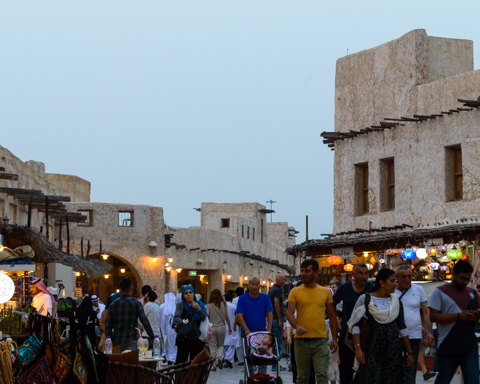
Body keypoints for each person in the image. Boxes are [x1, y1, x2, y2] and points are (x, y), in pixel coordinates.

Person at [347, 268, 413, 384]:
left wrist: (409, 352)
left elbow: (402, 328)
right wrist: (358, 348)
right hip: (373, 349)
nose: (395, 284)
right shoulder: (366, 299)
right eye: (392, 281)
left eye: (395, 281)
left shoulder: (396, 302)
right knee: (373, 379)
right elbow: (355, 325)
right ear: (382, 283)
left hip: (393, 349)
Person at [428, 259, 480, 384]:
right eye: (462, 278)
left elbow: (475, 321)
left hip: (469, 345)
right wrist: (458, 316)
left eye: (467, 279)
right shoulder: (440, 292)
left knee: (473, 380)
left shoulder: (472, 293)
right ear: (454, 274)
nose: (465, 282)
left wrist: (476, 316)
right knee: (443, 380)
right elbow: (433, 317)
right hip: (448, 345)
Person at [287, 259, 338, 384]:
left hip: (320, 340)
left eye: (307, 271)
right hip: (301, 341)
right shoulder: (295, 291)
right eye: (302, 271)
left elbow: (332, 315)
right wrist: (296, 326)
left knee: (321, 375)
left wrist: (335, 339)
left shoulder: (325, 292)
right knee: (302, 377)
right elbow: (289, 313)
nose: (303, 274)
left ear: (316, 273)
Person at [332, 262, 373, 384]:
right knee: (346, 372)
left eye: (366, 273)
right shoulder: (344, 288)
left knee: (366, 373)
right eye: (360, 273)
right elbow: (331, 306)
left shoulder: (371, 288)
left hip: (366, 336)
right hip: (346, 336)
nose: (363, 276)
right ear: (353, 274)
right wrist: (336, 324)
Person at [394, 264, 435, 383]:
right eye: (403, 276)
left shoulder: (418, 289)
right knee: (396, 368)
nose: (407, 279)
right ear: (397, 277)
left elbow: (426, 311)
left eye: (409, 276)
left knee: (410, 369)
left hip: (414, 336)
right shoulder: (391, 290)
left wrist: (430, 331)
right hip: (395, 336)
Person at [235, 277, 273, 375]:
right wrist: (246, 330)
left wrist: (268, 330)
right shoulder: (242, 298)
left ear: (260, 286)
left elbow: (270, 313)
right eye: (252, 284)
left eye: (257, 285)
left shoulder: (265, 297)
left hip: (262, 333)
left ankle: (262, 377)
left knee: (262, 358)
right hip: (247, 334)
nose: (254, 287)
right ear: (248, 286)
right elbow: (239, 315)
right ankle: (250, 377)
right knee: (248, 358)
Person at [106, 278, 155, 351]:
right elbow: (144, 321)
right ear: (132, 288)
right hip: (132, 339)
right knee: (131, 361)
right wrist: (152, 336)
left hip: (118, 340)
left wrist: (109, 339)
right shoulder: (136, 303)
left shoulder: (113, 304)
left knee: (120, 361)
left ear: (120, 289)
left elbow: (108, 324)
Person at [174, 285, 208, 364]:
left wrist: (198, 309)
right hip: (184, 336)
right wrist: (185, 323)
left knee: (196, 362)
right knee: (181, 361)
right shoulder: (181, 305)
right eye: (186, 293)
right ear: (183, 295)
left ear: (193, 294)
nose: (188, 294)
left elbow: (204, 318)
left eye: (190, 292)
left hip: (196, 337)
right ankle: (181, 376)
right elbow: (176, 317)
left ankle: (194, 376)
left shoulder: (200, 304)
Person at [206, 288, 232, 371]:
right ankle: (220, 357)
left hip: (212, 328)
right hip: (221, 327)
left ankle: (213, 366)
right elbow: (227, 317)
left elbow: (207, 316)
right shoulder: (223, 304)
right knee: (220, 345)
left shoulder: (208, 305)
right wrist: (230, 327)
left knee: (212, 347)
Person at [268, 272, 286, 371]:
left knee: (274, 342)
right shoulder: (277, 291)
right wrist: (280, 319)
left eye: (284, 279)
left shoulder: (271, 289)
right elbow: (276, 304)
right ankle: (276, 364)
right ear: (277, 279)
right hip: (276, 319)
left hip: (272, 319)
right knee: (277, 342)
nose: (284, 281)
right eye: (282, 279)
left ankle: (274, 363)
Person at [160, 292, 177, 364]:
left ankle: (166, 356)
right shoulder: (175, 307)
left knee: (166, 343)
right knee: (173, 344)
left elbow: (160, 318)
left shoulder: (162, 306)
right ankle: (172, 358)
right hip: (173, 329)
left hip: (165, 328)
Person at [223, 290, 239, 368]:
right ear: (232, 299)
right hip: (232, 326)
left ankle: (225, 357)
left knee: (225, 344)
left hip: (223, 326)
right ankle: (228, 359)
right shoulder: (234, 307)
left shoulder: (222, 306)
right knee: (232, 344)